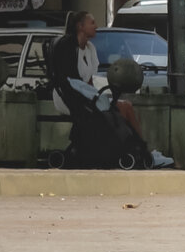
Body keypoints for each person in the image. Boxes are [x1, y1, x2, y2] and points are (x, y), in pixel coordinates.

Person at [49, 10, 172, 168]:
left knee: (124, 106)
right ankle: (142, 150)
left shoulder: (90, 49)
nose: (96, 26)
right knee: (123, 108)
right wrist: (94, 99)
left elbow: (89, 80)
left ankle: (140, 149)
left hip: (87, 95)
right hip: (71, 97)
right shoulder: (67, 47)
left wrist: (96, 97)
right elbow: (70, 81)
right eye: (92, 23)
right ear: (80, 26)